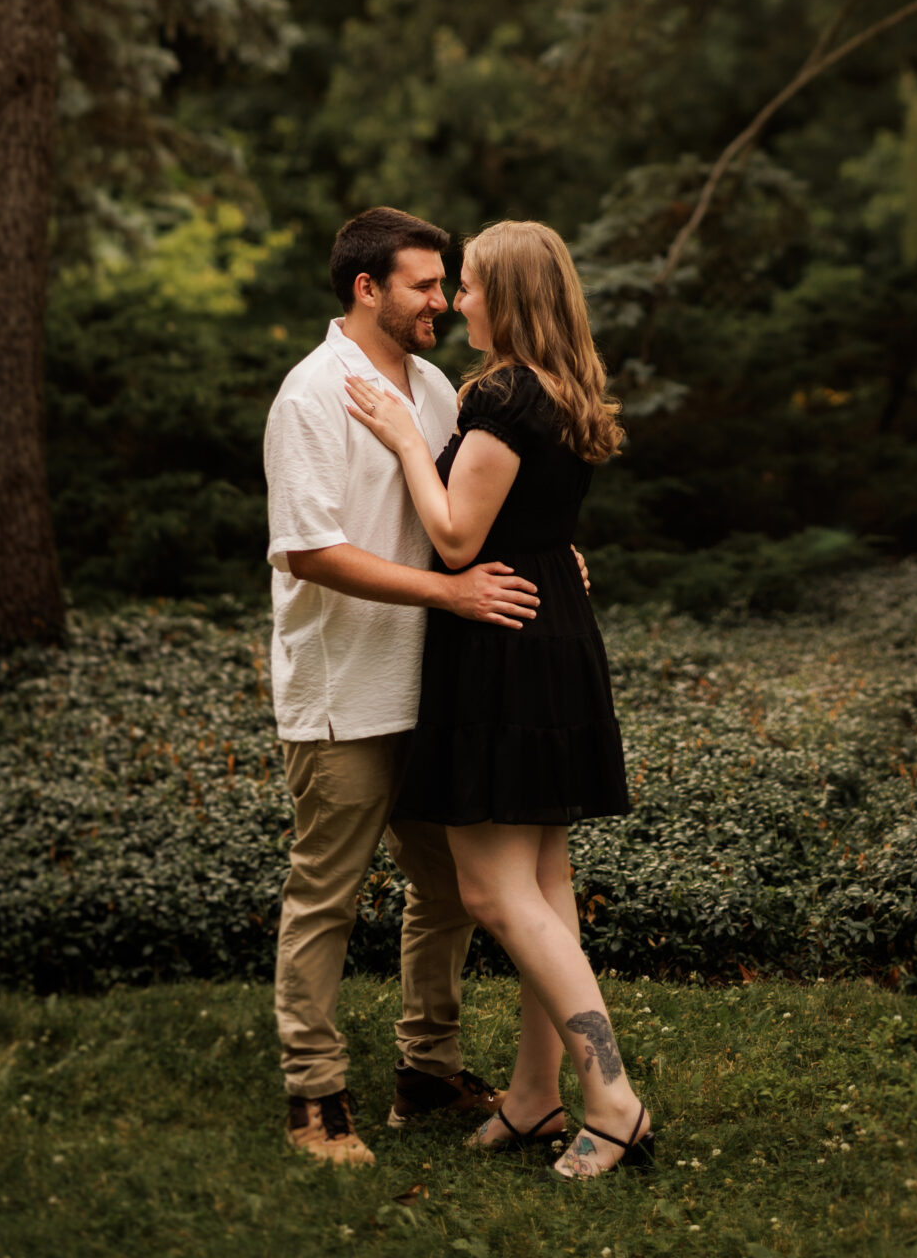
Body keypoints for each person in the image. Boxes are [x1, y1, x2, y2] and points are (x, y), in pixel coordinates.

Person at [342, 219, 649, 1181]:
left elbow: (458, 539)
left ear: (508, 296)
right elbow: (537, 522)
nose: (455, 301)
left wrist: (400, 436)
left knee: (490, 889)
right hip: (551, 631)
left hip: (498, 644)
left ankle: (615, 1100)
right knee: (546, 888)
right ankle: (534, 1097)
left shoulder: (502, 393)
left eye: (469, 286)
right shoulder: (565, 391)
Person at [263, 206, 541, 1168]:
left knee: (452, 891)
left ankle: (427, 1068)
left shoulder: (431, 387)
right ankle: (315, 1096)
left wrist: (556, 554)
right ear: (366, 289)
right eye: (425, 284)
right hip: (343, 696)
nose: (444, 299)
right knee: (325, 899)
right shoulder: (310, 396)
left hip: (434, 688)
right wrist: (449, 593)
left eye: (444, 281)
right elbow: (309, 552)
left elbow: (465, 512)